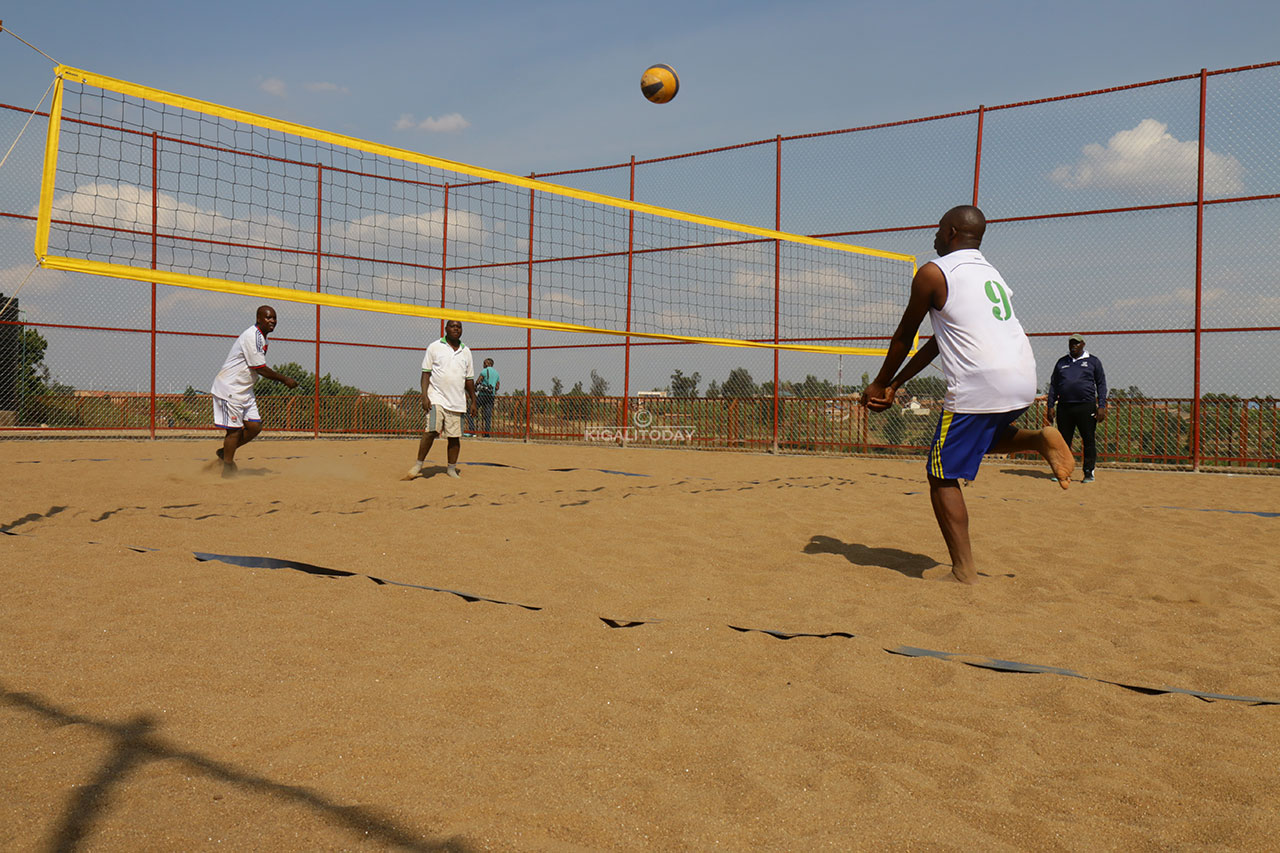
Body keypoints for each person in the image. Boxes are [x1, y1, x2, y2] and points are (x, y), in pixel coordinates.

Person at [861, 205, 1074, 584]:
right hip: (1023, 378)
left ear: (952, 232)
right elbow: (939, 343)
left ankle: (963, 571)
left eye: (939, 229)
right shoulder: (989, 273)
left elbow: (903, 337)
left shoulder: (934, 272)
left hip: (981, 382)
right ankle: (1039, 439)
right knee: (980, 439)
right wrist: (897, 384)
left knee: (940, 473)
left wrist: (879, 383)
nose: (934, 236)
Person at [210, 305, 298, 477]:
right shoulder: (252, 336)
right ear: (259, 319)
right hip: (230, 387)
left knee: (254, 427)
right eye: (268, 317)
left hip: (245, 389)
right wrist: (285, 380)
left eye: (274, 317)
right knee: (234, 431)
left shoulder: (262, 338)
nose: (272, 320)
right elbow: (259, 368)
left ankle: (224, 453)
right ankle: (227, 469)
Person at [407, 319, 477, 480]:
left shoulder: (466, 351)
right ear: (446, 328)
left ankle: (451, 468)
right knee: (431, 431)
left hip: (457, 401)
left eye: (459, 327)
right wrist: (424, 396)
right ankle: (418, 464)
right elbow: (426, 374)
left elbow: (469, 379)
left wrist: (473, 400)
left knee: (454, 437)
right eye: (452, 326)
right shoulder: (435, 347)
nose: (456, 329)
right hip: (436, 397)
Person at [1046, 334, 1108, 483]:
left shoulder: (1093, 361)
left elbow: (1101, 384)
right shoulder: (1062, 362)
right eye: (1071, 343)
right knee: (1063, 441)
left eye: (1077, 343)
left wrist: (1101, 406)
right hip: (1065, 407)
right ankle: (1063, 471)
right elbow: (1054, 385)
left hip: (1086, 406)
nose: (1073, 346)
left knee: (1088, 440)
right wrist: (1050, 405)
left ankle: (1088, 472)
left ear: (1083, 344)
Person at [474, 357, 500, 436]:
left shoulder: (484, 371)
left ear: (488, 364)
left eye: (484, 363)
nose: (483, 365)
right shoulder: (496, 373)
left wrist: (475, 388)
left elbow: (478, 381)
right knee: (488, 415)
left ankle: (471, 431)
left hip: (482, 395)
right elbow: (497, 387)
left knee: (471, 411)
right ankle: (487, 433)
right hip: (491, 396)